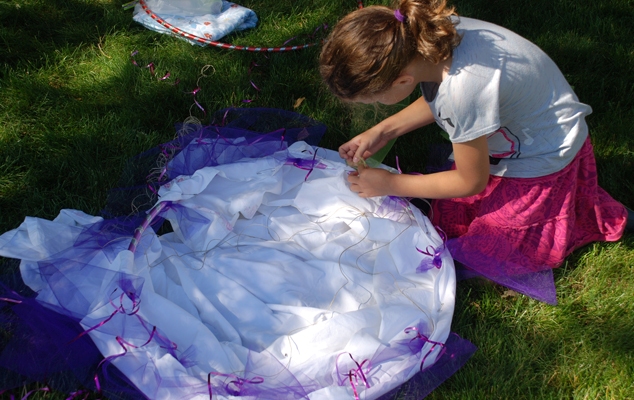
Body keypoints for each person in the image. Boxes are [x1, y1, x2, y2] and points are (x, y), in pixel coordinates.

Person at [319, 0, 633, 301]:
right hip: (528, 132)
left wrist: (389, 184)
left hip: (545, 157)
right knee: (452, 215)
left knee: (494, 248)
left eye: (374, 100)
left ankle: (585, 214)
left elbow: (471, 182)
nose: (374, 107)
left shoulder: (462, 92)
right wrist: (383, 130)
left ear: (403, 80)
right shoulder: (428, 36)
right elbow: (438, 97)